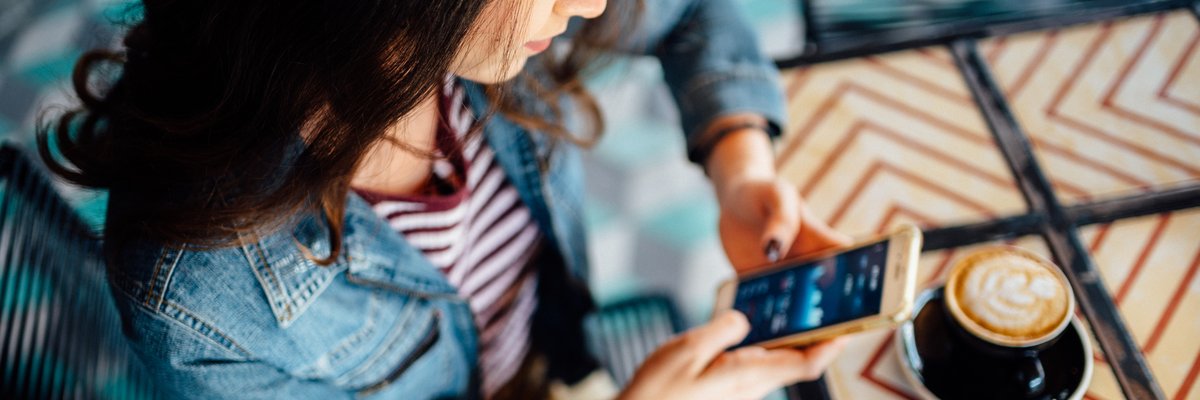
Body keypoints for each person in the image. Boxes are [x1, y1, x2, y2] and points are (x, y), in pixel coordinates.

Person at [38, 0, 851, 398]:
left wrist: (739, 163)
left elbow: (688, 9)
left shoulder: (481, 33)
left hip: (551, 359)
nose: (592, 6)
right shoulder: (200, 296)